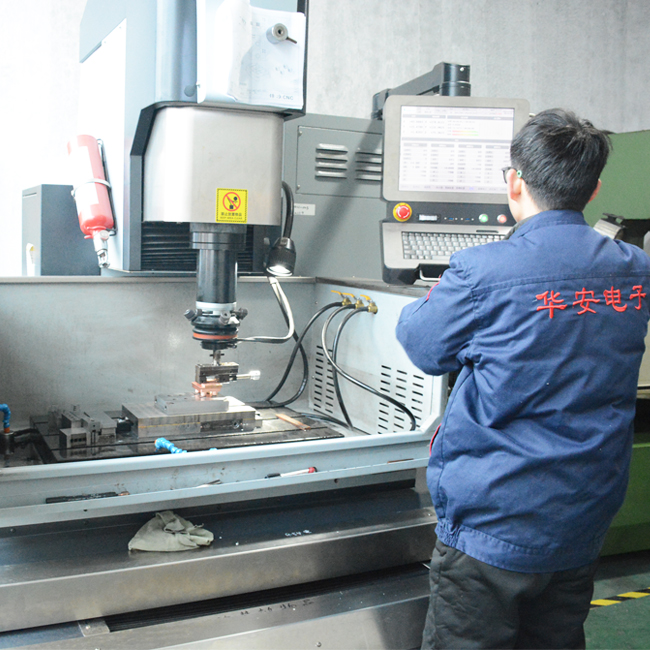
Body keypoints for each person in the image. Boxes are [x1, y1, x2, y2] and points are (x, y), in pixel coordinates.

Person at [396, 108, 650, 649]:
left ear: (515, 181)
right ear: (594, 188)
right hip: (583, 511)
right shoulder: (633, 268)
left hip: (495, 520)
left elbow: (423, 346)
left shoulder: (483, 269)